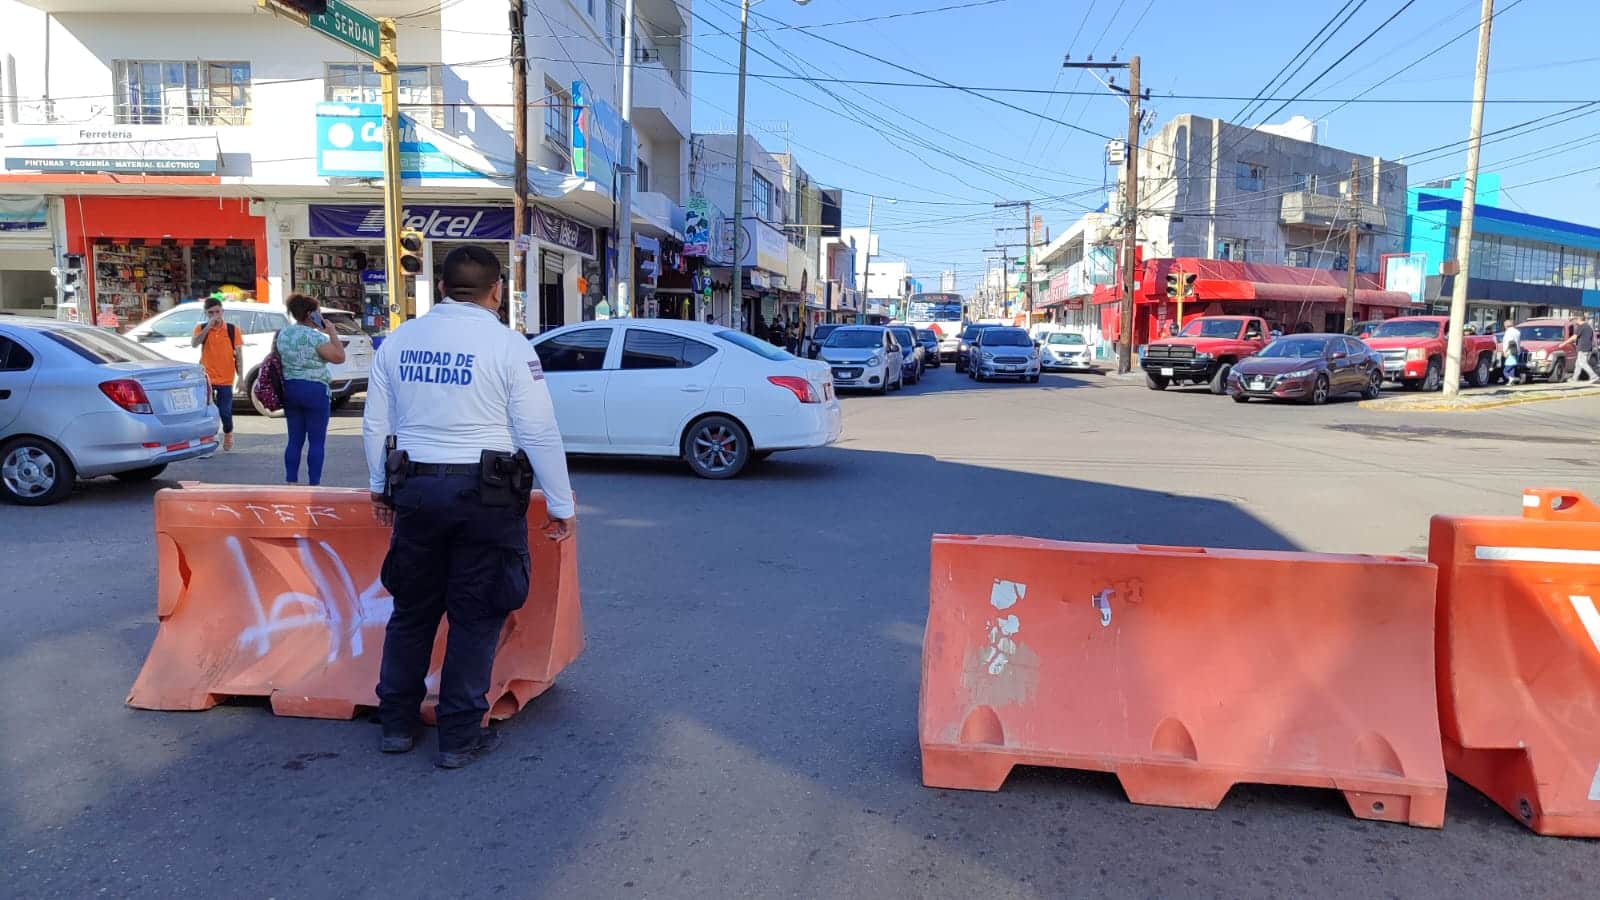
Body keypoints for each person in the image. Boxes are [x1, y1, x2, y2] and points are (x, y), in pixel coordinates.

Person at [363, 245, 575, 770]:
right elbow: (537, 430)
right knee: (475, 615)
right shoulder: (508, 346)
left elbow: (375, 423)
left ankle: (395, 724)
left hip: (415, 490)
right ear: (497, 291)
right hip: (487, 496)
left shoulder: (400, 341)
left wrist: (379, 488)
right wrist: (561, 502)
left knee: (412, 610)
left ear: (440, 288)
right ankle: (458, 736)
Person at [277, 293, 346, 485]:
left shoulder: (283, 334)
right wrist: (331, 331)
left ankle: (291, 481)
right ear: (310, 314)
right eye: (318, 312)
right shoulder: (316, 337)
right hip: (315, 390)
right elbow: (339, 357)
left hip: (290, 388)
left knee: (294, 439)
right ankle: (314, 483)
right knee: (316, 441)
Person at [190, 297, 244, 451]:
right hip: (206, 377)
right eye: (211, 313)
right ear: (206, 314)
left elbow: (239, 354)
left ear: (222, 311)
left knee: (225, 412)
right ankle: (208, 440)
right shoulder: (201, 328)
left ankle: (228, 433)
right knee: (205, 411)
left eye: (217, 311)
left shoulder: (233, 330)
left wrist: (241, 377)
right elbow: (194, 344)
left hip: (226, 378)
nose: (215, 315)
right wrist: (208, 327)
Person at [1572, 318, 1597, 383]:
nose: (1574, 321)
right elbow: (1591, 338)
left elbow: (1574, 337)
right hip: (1587, 347)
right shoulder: (1589, 327)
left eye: (1574, 320)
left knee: (1582, 363)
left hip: (1582, 348)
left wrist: (1564, 343)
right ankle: (1574, 378)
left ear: (1578, 319)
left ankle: (1594, 376)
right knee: (1578, 363)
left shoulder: (1581, 327)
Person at [1501, 318, 1521, 385]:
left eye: (1504, 325)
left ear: (1506, 325)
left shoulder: (1508, 332)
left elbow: (1507, 342)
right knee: (1512, 368)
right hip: (1516, 352)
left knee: (1506, 370)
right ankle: (1511, 381)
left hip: (1509, 352)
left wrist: (1504, 351)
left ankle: (1511, 379)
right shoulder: (1517, 332)